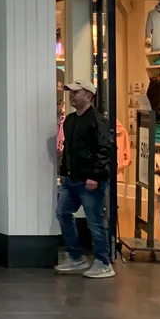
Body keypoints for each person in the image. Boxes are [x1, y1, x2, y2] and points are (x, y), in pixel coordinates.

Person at [54, 81, 115, 279]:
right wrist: (63, 172)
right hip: (72, 179)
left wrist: (95, 176)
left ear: (89, 96)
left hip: (90, 180)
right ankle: (76, 256)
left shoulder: (98, 120)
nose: (72, 96)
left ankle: (103, 262)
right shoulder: (71, 120)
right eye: (70, 93)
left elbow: (104, 149)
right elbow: (69, 149)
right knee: (63, 213)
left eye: (76, 92)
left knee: (95, 221)